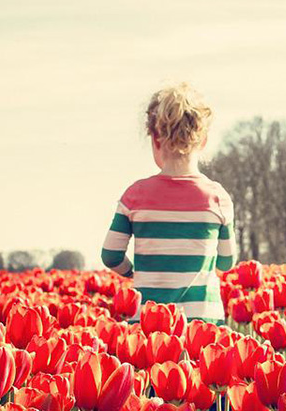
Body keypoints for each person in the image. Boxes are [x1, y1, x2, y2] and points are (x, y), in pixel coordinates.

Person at [101, 83, 236, 323]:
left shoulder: (135, 196)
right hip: (202, 320)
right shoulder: (217, 198)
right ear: (203, 140)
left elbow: (110, 255)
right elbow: (227, 261)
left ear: (155, 138)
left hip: (148, 321)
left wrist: (134, 272)